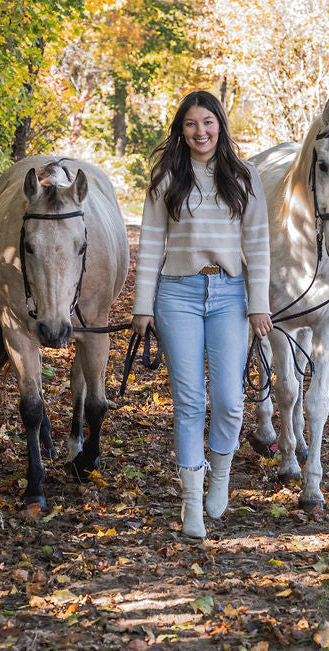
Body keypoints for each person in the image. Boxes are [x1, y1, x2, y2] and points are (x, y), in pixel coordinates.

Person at [132, 90, 272, 538]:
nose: (200, 132)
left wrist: (259, 304)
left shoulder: (244, 176)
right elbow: (152, 244)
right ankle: (192, 503)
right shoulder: (167, 176)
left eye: (208, 122)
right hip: (178, 295)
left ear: (220, 125)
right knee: (190, 402)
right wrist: (142, 306)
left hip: (230, 294)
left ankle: (221, 477)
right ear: (182, 129)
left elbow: (258, 246)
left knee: (231, 401)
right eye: (191, 124)